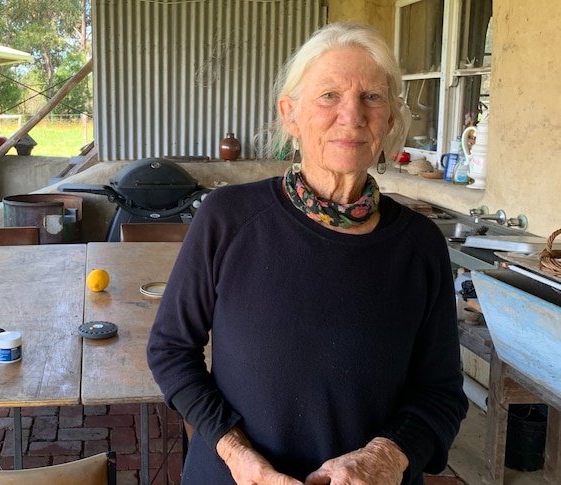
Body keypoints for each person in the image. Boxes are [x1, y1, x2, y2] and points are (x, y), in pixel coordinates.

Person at [147, 22, 468, 485]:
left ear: (391, 120)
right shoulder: (228, 218)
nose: (352, 115)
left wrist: (385, 458)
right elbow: (171, 350)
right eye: (329, 96)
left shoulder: (420, 245)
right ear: (291, 114)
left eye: (372, 98)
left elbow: (440, 392)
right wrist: (238, 454)